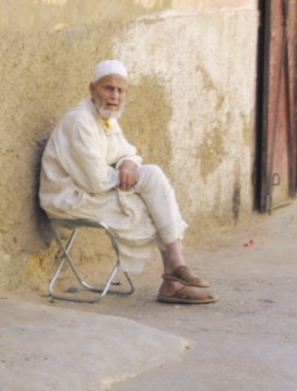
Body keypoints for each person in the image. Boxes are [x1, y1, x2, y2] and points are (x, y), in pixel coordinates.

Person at [38, 59, 218, 304]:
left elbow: (128, 150)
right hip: (69, 198)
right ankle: (172, 281)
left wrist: (128, 163)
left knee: (152, 176)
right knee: (147, 208)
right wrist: (128, 176)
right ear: (92, 89)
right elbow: (95, 181)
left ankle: (176, 267)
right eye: (108, 88)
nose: (115, 96)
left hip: (92, 191)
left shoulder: (108, 118)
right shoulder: (79, 120)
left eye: (120, 90)